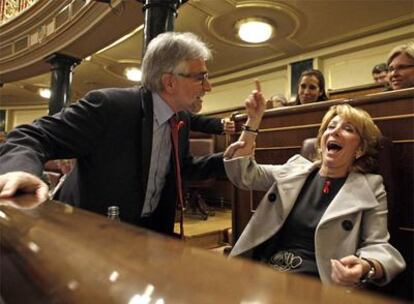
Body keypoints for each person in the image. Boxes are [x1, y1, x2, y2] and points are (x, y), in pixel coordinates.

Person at [0, 32, 225, 236]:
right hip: (87, 235)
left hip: (148, 237)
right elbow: (30, 135)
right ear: (170, 82)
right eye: (200, 77)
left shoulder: (181, 118)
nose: (208, 87)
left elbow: (181, 167)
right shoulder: (110, 106)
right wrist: (18, 172)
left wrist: (231, 159)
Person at [223, 86, 405, 286]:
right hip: (265, 273)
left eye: (348, 129)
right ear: (321, 141)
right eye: (330, 126)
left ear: (360, 149)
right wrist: (253, 122)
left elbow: (377, 244)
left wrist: (366, 266)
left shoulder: (371, 186)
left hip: (318, 284)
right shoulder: (294, 169)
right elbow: (243, 174)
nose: (335, 131)